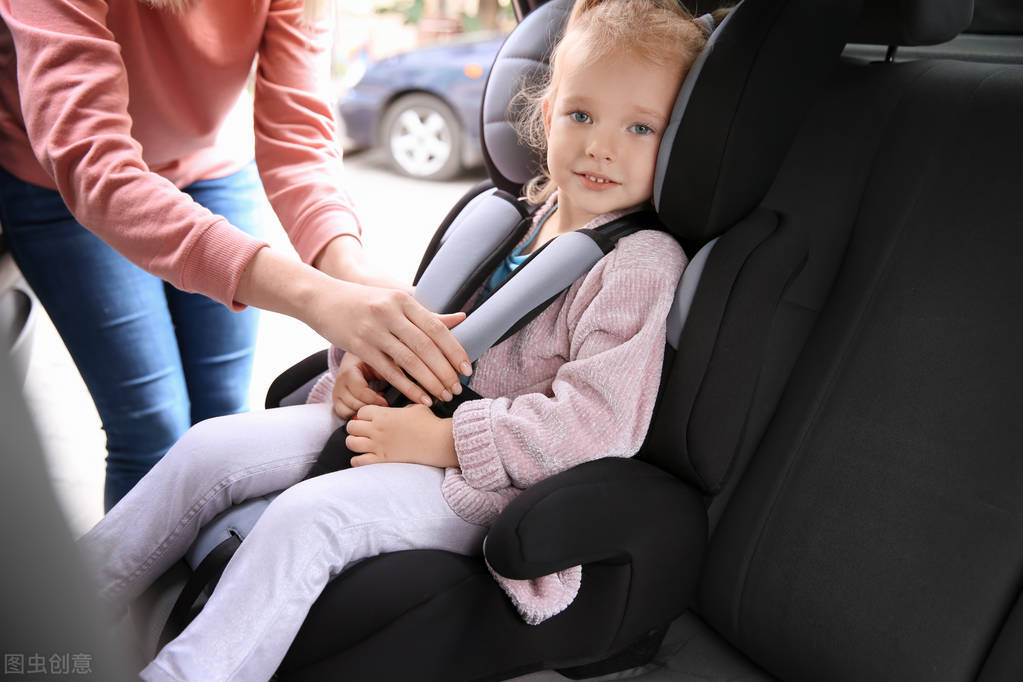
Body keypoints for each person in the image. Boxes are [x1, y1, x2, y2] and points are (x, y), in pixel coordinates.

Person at [77, 0, 714, 678]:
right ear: (547, 109)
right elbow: (411, 322)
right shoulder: (511, 219)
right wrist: (360, 367)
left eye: (639, 128)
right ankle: (59, 615)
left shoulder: (638, 266)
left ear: (675, 144)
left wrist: (441, 440)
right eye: (580, 115)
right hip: (399, 424)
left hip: (488, 483)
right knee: (207, 447)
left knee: (307, 520)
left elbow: (598, 425)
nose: (599, 146)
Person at [0, 0, 470, 510]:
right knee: (150, 427)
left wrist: (350, 276)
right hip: (65, 189)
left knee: (225, 420)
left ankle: (205, 588)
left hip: (211, 164)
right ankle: (130, 591)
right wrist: (319, 300)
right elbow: (95, 166)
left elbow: (296, 133)